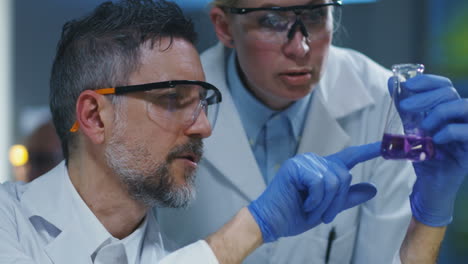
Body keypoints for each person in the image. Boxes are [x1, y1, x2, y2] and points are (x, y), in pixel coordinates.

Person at [0, 0, 466, 264]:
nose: (203, 127)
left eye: (316, 16)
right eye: (171, 100)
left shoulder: (151, 240)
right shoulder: (12, 226)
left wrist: (431, 215)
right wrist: (253, 226)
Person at [155, 0, 468, 263]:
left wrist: (430, 217)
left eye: (317, 15)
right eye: (272, 20)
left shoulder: (384, 103)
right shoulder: (163, 106)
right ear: (224, 28)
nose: (300, 47)